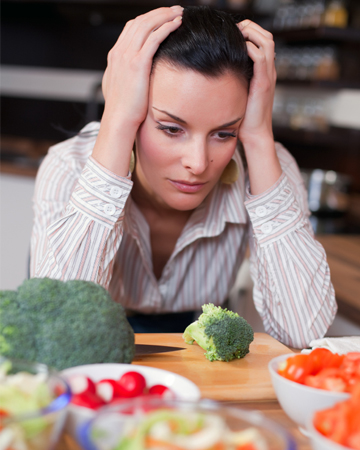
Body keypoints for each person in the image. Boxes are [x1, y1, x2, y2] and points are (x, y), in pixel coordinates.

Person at [30, 5, 337, 347]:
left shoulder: (266, 164)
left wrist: (259, 139)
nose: (198, 162)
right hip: (97, 357)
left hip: (203, 354)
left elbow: (304, 333)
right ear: (132, 111)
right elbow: (58, 328)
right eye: (171, 128)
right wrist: (115, 122)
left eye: (224, 133)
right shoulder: (69, 165)